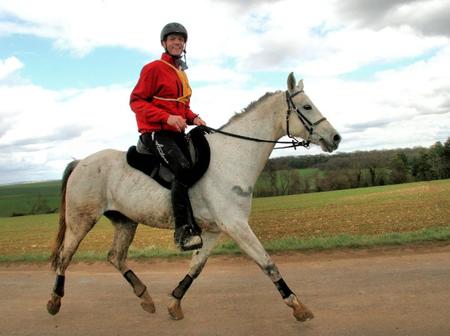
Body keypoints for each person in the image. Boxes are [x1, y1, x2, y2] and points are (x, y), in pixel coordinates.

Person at [130, 22, 206, 251]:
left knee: (201, 160)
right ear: (164, 43)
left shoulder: (181, 74)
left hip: (176, 132)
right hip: (155, 132)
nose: (177, 43)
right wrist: (166, 118)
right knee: (182, 168)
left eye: (181, 40)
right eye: (173, 39)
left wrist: (194, 118)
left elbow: (183, 108)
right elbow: (136, 101)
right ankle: (183, 231)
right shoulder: (153, 68)